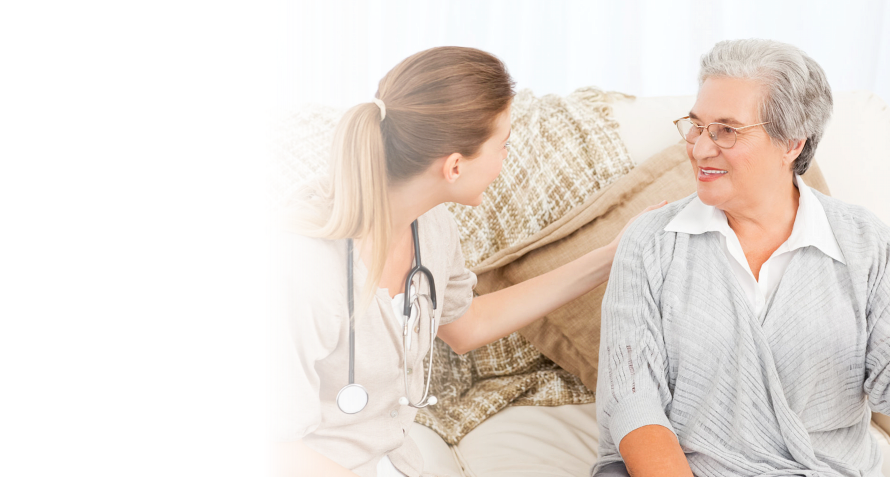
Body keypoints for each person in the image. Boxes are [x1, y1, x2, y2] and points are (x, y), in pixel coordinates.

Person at [265, 46, 662, 477]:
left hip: (391, 460)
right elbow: (276, 453)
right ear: (455, 166)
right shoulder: (303, 269)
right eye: (503, 145)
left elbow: (467, 326)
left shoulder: (431, 227)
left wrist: (609, 258)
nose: (504, 161)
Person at [592, 39, 890, 477]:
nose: (700, 148)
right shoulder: (652, 241)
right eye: (696, 125)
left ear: (791, 142)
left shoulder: (866, 243)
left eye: (727, 130)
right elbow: (633, 402)